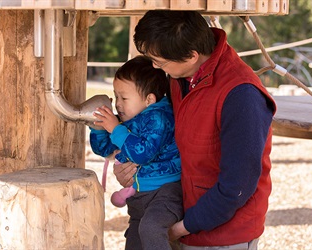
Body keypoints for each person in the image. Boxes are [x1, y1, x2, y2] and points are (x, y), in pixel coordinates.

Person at [113, 10, 277, 249]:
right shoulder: (179, 75)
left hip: (222, 233)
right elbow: (159, 136)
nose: (155, 66)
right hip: (181, 212)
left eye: (159, 61)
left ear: (191, 56)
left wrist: (180, 228)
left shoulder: (242, 96)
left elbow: (237, 186)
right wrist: (130, 168)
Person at [89, 55, 183, 250]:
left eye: (124, 97)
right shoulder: (130, 118)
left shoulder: (159, 118)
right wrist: (98, 129)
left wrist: (116, 129)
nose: (118, 104)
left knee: (151, 228)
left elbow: (143, 153)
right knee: (134, 240)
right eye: (116, 96)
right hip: (140, 195)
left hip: (165, 192)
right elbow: (105, 149)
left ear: (149, 99)